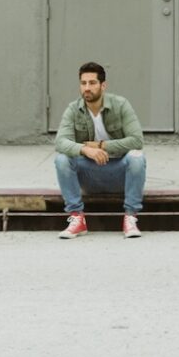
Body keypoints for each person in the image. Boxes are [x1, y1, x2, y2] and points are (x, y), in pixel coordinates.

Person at [53, 62, 147, 238]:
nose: (87, 88)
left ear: (103, 85)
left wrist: (102, 146)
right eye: (83, 83)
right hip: (89, 175)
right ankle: (77, 218)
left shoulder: (121, 105)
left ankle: (130, 217)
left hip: (119, 173)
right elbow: (60, 142)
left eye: (92, 83)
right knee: (62, 159)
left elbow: (137, 140)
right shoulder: (73, 109)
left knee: (137, 157)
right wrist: (85, 150)